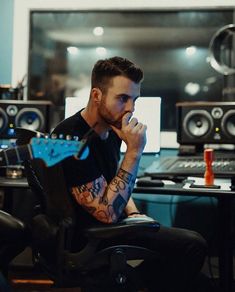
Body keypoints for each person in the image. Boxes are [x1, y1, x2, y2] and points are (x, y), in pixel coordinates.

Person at [52, 56, 211, 291]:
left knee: (201, 283)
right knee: (193, 246)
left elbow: (113, 180)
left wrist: (135, 213)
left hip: (111, 225)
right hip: (92, 237)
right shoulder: (72, 138)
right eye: (122, 98)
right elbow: (105, 212)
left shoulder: (110, 130)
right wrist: (134, 151)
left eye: (134, 99)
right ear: (96, 96)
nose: (131, 108)